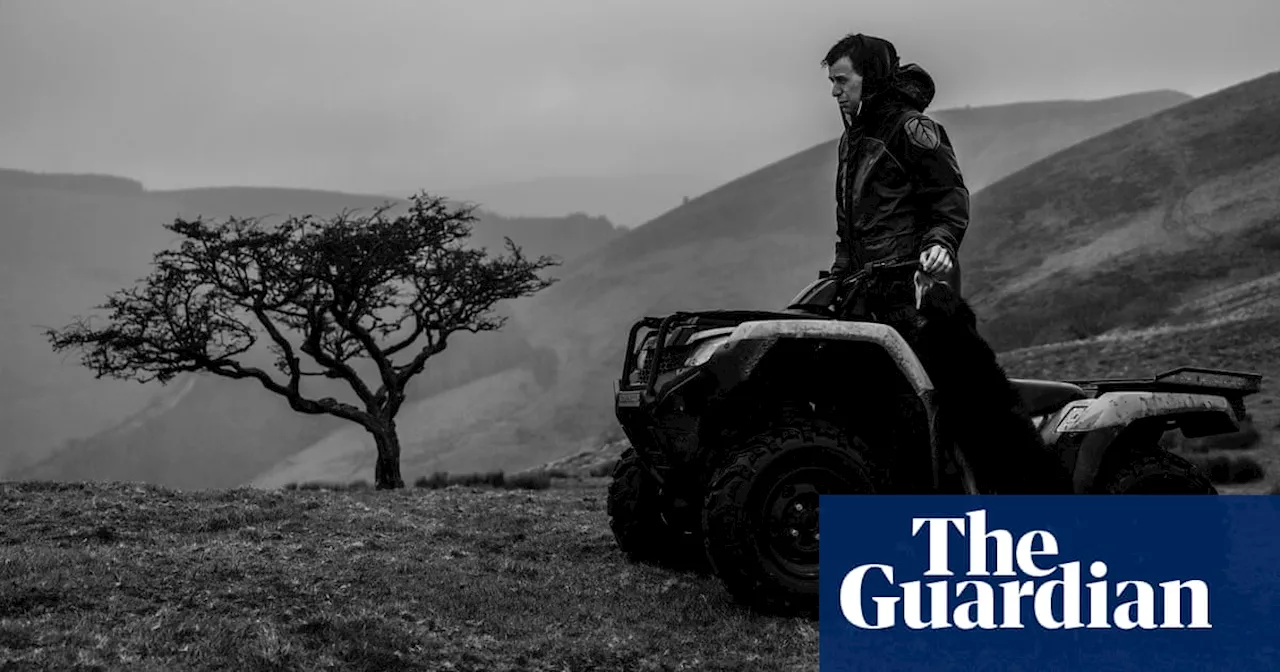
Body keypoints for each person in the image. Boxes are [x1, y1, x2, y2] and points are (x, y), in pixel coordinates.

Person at [822, 33, 969, 320]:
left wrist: (940, 243)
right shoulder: (850, 141)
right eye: (832, 82)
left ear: (871, 77)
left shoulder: (913, 129)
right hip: (861, 295)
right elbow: (848, 228)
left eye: (842, 80)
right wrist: (835, 281)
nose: (835, 92)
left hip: (911, 292)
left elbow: (948, 197)